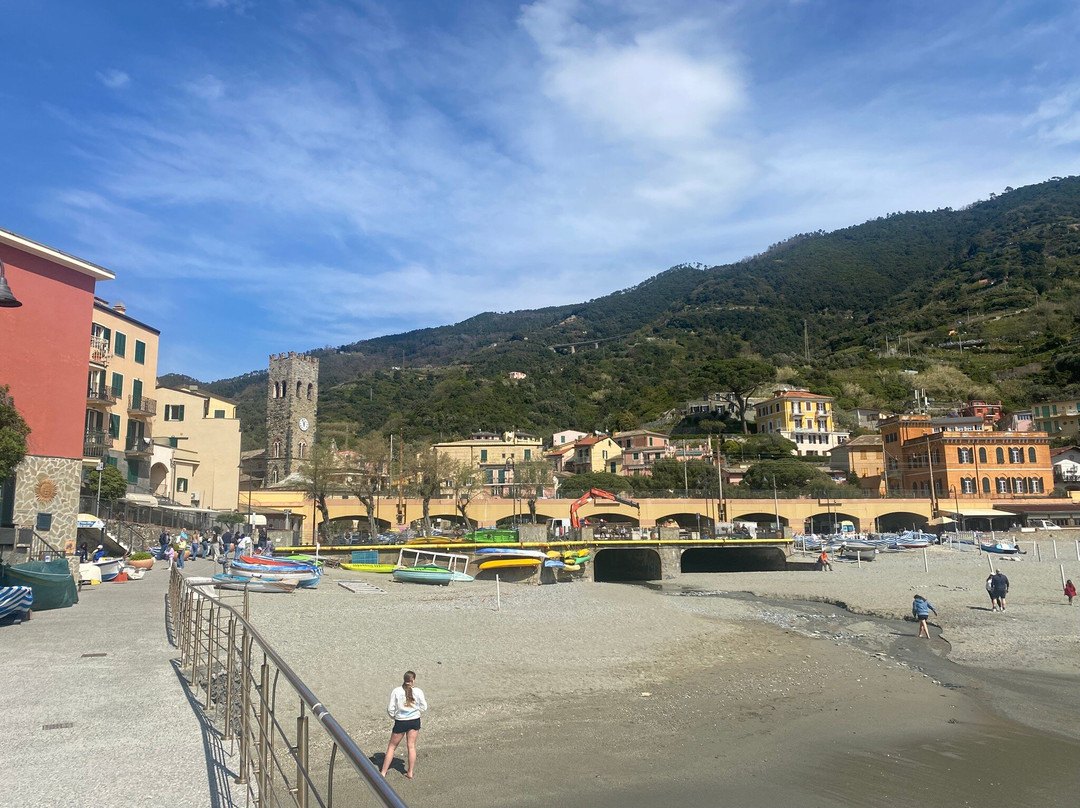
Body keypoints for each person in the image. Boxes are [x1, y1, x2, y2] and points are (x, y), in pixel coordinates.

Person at [380, 671, 427, 779]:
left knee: (392, 747)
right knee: (411, 746)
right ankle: (410, 772)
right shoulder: (418, 691)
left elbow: (390, 709)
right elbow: (424, 707)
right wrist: (415, 710)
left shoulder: (396, 691)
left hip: (401, 721)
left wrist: (394, 717)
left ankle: (383, 772)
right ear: (413, 680)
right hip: (414, 720)